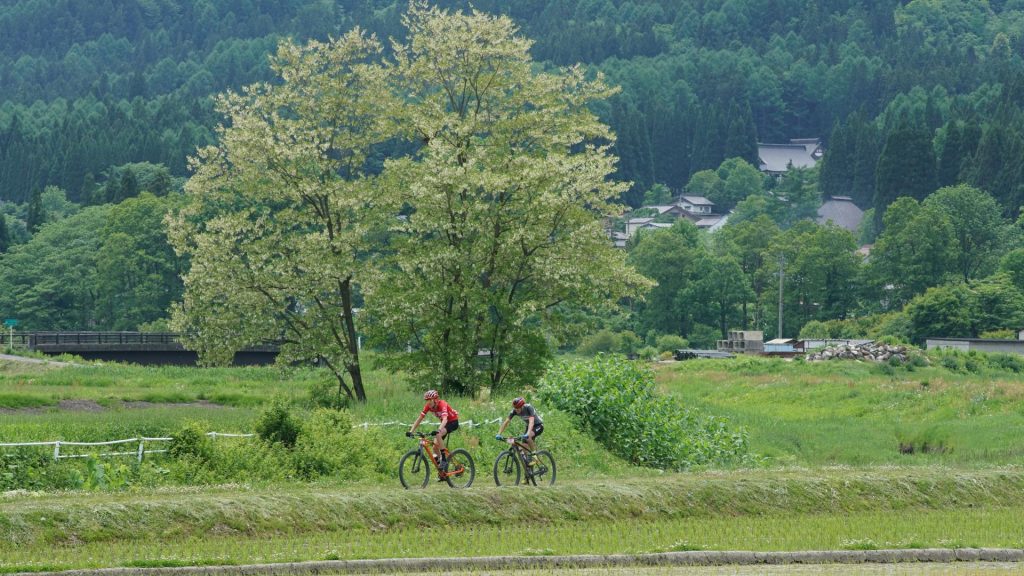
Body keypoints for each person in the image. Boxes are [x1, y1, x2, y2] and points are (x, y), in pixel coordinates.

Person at [408, 389, 460, 471]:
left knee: (438, 434)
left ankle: (444, 459)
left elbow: (445, 419)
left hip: (453, 422)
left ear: (435, 400)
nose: (428, 402)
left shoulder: (442, 404)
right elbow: (419, 419)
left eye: (430, 400)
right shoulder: (428, 406)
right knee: (435, 447)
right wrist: (411, 431)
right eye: (427, 400)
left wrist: (439, 430)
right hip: (444, 424)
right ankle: (442, 471)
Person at [496, 396, 543, 465]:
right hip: (529, 427)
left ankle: (534, 455)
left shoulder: (528, 408)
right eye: (515, 408)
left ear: (522, 406)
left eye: (518, 408)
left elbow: (531, 422)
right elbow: (506, 422)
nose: (516, 410)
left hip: (538, 425)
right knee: (524, 447)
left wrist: (527, 433)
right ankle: (529, 468)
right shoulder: (514, 410)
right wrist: (499, 433)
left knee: (528, 436)